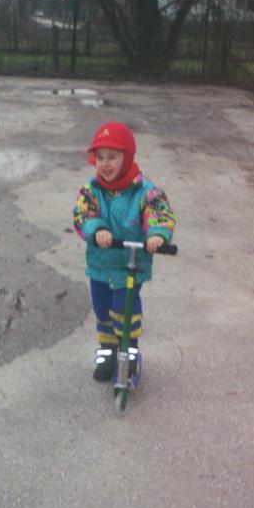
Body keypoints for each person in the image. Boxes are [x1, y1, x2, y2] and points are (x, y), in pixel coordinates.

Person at [72, 121, 176, 381]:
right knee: (103, 311)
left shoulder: (145, 191)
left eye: (112, 157)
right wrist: (96, 229)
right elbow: (82, 215)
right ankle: (107, 354)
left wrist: (157, 235)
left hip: (130, 265)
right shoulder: (91, 190)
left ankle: (128, 354)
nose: (105, 164)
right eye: (100, 157)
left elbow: (159, 212)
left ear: (127, 157)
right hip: (100, 266)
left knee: (125, 312)